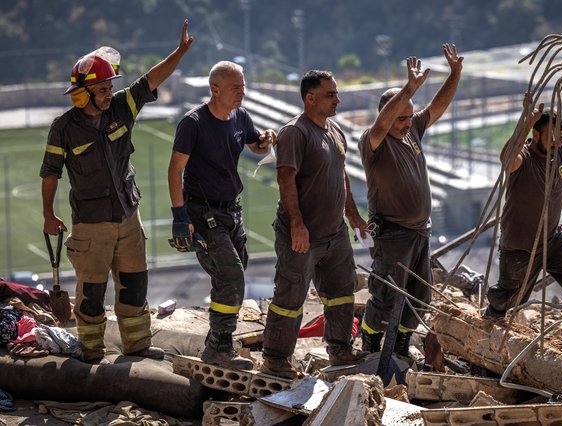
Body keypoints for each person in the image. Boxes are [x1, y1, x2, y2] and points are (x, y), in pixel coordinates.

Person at [39, 20, 193, 363]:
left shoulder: (123, 106)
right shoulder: (63, 129)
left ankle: (137, 346)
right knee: (91, 294)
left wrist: (180, 53)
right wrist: (48, 215)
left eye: (111, 88)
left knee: (135, 285)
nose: (110, 94)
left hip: (128, 216)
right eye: (104, 89)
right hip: (90, 224)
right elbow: (50, 173)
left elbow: (151, 80)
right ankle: (92, 351)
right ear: (84, 93)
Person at [259, 70, 368, 379]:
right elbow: (285, 178)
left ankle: (340, 349)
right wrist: (297, 225)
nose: (338, 99)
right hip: (303, 235)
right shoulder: (295, 132)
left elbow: (341, 175)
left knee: (341, 292)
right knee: (290, 296)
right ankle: (276, 358)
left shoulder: (335, 132)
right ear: (311, 98)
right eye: (331, 94)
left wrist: (354, 216)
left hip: (335, 234)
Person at [167, 61, 276, 370]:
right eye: (235, 87)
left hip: (232, 212)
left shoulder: (240, 116)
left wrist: (264, 141)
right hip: (204, 213)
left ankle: (217, 343)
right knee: (231, 277)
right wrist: (179, 217)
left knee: (233, 275)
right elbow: (175, 170)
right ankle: (219, 348)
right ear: (215, 89)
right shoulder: (194, 123)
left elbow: (253, 144)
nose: (243, 92)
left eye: (243, 86)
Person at [358, 47, 463, 356]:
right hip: (393, 234)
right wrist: (407, 89)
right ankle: (370, 342)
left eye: (408, 116)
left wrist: (455, 74)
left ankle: (402, 342)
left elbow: (437, 107)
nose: (407, 122)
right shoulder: (373, 141)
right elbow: (381, 125)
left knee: (418, 296)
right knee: (386, 295)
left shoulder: (412, 131)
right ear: (387, 116)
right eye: (400, 117)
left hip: (419, 232)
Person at [484, 99, 562, 332]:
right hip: (520, 247)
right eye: (552, 137)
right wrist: (526, 122)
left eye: (561, 136)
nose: (558, 142)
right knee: (508, 299)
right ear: (536, 136)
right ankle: (489, 326)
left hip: (553, 239)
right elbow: (507, 159)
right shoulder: (524, 158)